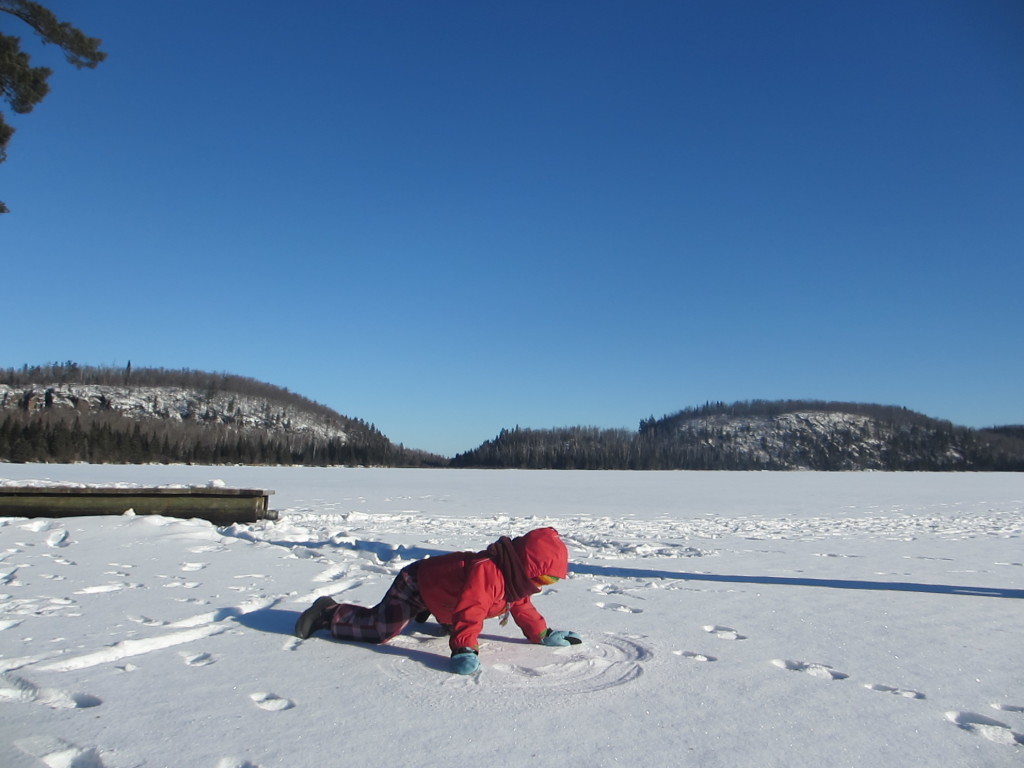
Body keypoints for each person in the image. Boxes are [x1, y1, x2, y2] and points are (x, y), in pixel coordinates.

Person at [294, 527, 582, 675]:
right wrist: (464, 649)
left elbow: (521, 605)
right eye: (545, 579)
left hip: (444, 597)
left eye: (551, 582)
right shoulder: (488, 571)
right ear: (525, 567)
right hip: (418, 583)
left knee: (451, 621)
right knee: (380, 630)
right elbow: (472, 610)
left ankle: (428, 611)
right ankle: (329, 613)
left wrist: (541, 634)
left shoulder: (516, 581)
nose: (542, 587)